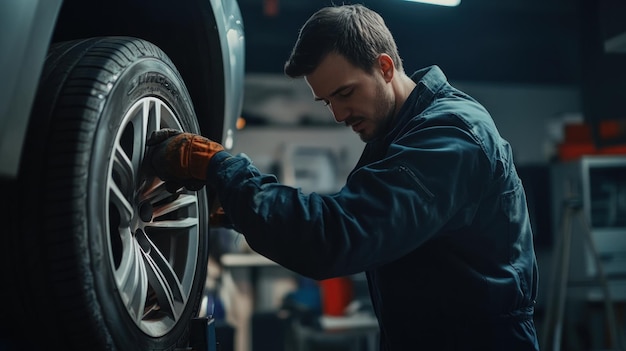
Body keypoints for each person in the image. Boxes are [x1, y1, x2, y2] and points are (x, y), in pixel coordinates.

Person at [145, 4, 540, 350]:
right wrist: (235, 207)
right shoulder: (398, 138)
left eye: (345, 93)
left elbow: (335, 236)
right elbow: (345, 215)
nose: (337, 114)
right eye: (327, 101)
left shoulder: (450, 136)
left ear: (385, 67)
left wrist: (223, 168)